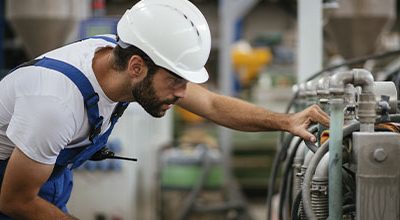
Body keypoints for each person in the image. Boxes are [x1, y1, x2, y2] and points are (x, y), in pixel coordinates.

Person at [0, 0, 329, 219]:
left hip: (45, 182)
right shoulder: (56, 105)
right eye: (176, 80)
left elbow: (212, 103)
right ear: (136, 67)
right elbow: (15, 200)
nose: (183, 93)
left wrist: (286, 121)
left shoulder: (121, 60)